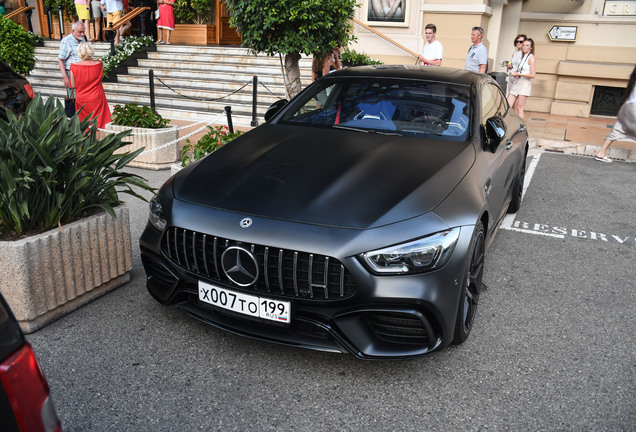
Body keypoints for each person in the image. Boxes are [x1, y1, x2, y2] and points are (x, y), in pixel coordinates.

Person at [595, 65, 636, 162]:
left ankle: (601, 153)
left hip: (626, 107)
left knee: (617, 129)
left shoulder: (633, 79)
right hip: (634, 107)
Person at [70, 42, 111, 128]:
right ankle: (98, 140)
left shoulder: (73, 67)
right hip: (97, 96)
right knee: (99, 121)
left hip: (82, 98)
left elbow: (73, 85)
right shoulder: (98, 64)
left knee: (84, 122)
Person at [58, 21, 86, 118]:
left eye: (83, 32)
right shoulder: (66, 41)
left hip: (82, 74)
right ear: (73, 31)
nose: (82, 34)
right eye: (80, 32)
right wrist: (65, 77)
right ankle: (71, 120)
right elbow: (60, 59)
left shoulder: (83, 39)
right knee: (72, 98)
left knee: (82, 98)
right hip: (71, 74)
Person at [507, 38, 536, 120]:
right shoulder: (522, 56)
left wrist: (518, 74)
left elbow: (533, 75)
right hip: (517, 81)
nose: (524, 47)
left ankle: (520, 127)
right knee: (507, 105)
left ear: (531, 47)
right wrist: (515, 72)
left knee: (519, 107)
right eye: (523, 45)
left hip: (525, 83)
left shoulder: (531, 57)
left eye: (527, 45)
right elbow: (520, 69)